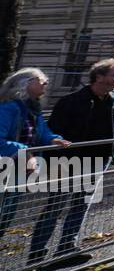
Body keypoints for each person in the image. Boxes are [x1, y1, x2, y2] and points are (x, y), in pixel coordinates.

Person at [32, 59, 114, 264]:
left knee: (81, 204)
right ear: (99, 76)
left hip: (98, 160)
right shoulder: (72, 101)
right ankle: (37, 253)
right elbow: (54, 130)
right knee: (56, 205)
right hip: (69, 161)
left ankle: (66, 248)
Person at [0, 69, 71, 253]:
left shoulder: (33, 109)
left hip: (19, 168)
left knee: (7, 212)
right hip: (8, 165)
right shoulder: (9, 108)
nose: (46, 84)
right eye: (41, 80)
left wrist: (52, 139)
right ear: (26, 83)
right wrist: (24, 152)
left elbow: (41, 132)